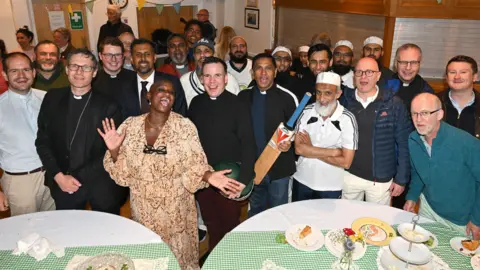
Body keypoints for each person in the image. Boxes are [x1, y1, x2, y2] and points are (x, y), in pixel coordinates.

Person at [100, 78, 241, 269]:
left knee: (179, 260)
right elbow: (123, 177)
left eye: (171, 92)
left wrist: (209, 176)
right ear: (149, 95)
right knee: (150, 259)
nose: (166, 94)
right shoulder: (130, 126)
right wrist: (115, 150)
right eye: (160, 90)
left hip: (177, 212)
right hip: (144, 210)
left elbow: (195, 165)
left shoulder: (184, 127)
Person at [35, 48, 127, 214]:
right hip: (63, 181)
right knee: (70, 235)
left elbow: (110, 150)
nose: (79, 71)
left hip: (100, 184)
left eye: (86, 67)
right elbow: (42, 141)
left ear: (94, 73)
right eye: (75, 66)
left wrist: (77, 177)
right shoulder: (52, 98)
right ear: (67, 69)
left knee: (107, 233)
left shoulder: (109, 105)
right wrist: (57, 175)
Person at [188, 56, 256, 251]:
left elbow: (249, 144)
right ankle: (214, 258)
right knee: (211, 224)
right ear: (201, 79)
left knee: (228, 227)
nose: (212, 81)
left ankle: (228, 259)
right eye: (207, 76)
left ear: (226, 78)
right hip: (205, 178)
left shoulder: (238, 105)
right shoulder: (196, 103)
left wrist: (243, 180)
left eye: (217, 75)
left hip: (230, 178)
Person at [405, 93, 480, 238]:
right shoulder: (413, 139)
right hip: (428, 208)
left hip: (460, 221)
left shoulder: (467, 143)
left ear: (439, 114)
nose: (418, 120)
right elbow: (418, 173)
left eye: (425, 113)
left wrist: (476, 220)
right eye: (414, 114)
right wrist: (412, 197)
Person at [340, 57, 412, 205]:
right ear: (354, 76)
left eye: (369, 72)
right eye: (359, 72)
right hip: (348, 174)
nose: (363, 77)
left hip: (380, 179)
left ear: (378, 76)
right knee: (346, 219)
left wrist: (401, 179)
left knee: (377, 223)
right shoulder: (344, 101)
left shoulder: (393, 103)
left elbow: (404, 142)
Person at [239, 53, 298, 217]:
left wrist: (290, 142)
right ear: (252, 73)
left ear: (276, 72)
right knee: (256, 212)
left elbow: (297, 130)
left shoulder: (288, 97)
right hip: (254, 168)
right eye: (259, 68)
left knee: (279, 213)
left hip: (279, 169)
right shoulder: (243, 97)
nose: (263, 73)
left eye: (268, 68)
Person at [0, 52, 56, 215]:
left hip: (52, 176)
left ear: (33, 72)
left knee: (55, 227)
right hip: (20, 182)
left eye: (25, 70)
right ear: (4, 75)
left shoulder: (47, 99)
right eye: (14, 71)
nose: (21, 76)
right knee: (25, 233)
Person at [293, 72, 357, 201]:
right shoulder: (306, 111)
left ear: (338, 94)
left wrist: (310, 149)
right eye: (318, 92)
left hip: (330, 186)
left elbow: (346, 162)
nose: (321, 99)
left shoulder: (347, 119)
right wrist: (334, 152)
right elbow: (299, 149)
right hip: (302, 180)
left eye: (328, 93)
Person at [131, 38, 187, 116]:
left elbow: (181, 115)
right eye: (138, 55)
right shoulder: (124, 86)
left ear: (154, 58)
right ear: (131, 59)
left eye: (147, 54)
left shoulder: (172, 82)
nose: (143, 58)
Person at [180, 38, 240, 106]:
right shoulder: (184, 81)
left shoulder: (230, 80)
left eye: (206, 51)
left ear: (213, 54)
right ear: (194, 55)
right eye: (198, 52)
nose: (202, 55)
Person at [94, 37, 137, 120]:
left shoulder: (135, 78)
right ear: (100, 56)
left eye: (118, 55)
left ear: (123, 56)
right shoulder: (92, 81)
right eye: (109, 55)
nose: (114, 59)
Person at [437, 55, 479, 139]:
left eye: (463, 72)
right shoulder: (433, 102)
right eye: (452, 72)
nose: (457, 77)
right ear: (446, 77)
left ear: (475, 77)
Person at [390, 43, 434, 111]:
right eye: (403, 62)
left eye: (413, 63)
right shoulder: (383, 86)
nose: (408, 67)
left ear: (419, 65)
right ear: (396, 63)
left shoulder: (426, 92)